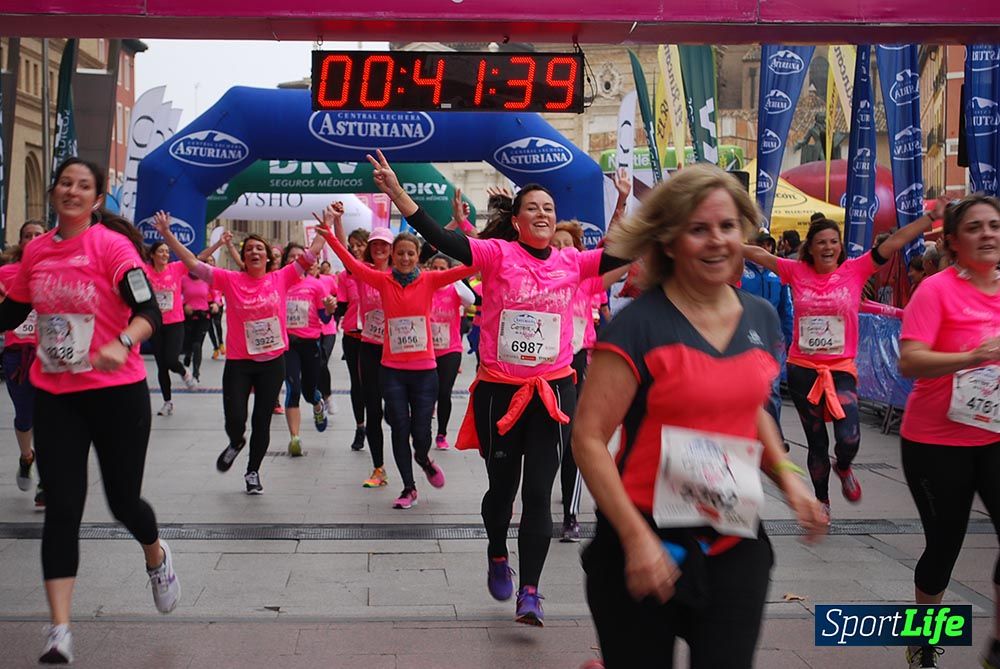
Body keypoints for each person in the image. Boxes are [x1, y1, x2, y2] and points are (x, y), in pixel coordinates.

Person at [573, 163, 826, 668]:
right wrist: (635, 538)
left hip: (733, 537)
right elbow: (588, 438)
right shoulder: (637, 327)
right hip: (644, 541)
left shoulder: (760, 315)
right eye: (699, 229)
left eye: (728, 226)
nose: (717, 242)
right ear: (668, 241)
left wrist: (788, 477)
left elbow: (747, 405)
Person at [363, 149, 629, 626]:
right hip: (499, 392)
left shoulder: (573, 261)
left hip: (553, 391)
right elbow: (441, 236)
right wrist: (398, 192)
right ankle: (495, 552)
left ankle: (531, 591)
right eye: (533, 208)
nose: (543, 214)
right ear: (517, 219)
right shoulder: (496, 253)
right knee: (501, 492)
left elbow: (623, 251)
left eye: (549, 208)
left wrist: (630, 205)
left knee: (536, 494)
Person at [0, 158, 180, 664]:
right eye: (65, 184)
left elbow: (149, 310)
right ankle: (59, 630)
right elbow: (12, 311)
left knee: (124, 503)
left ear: (97, 199)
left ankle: (156, 555)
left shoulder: (112, 247)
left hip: (116, 393)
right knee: (62, 507)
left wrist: (123, 341)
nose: (73, 192)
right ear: (54, 192)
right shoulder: (36, 252)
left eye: (84, 186)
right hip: (57, 393)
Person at [743, 198, 948, 517]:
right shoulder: (794, 271)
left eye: (833, 242)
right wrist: (726, 241)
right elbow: (760, 255)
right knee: (816, 441)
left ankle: (845, 466)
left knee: (849, 437)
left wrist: (928, 220)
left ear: (840, 247)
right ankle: (822, 500)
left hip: (840, 370)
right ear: (810, 248)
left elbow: (893, 242)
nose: (828, 247)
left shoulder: (856, 269)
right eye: (821, 242)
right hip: (802, 370)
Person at [897, 195, 1000, 669]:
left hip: (995, 437)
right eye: (975, 227)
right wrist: (972, 357)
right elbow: (910, 361)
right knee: (945, 545)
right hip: (936, 442)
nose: (987, 234)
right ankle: (922, 640)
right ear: (954, 242)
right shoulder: (935, 291)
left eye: (994, 225)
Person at [154, 212, 326, 494]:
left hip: (272, 363)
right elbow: (192, 263)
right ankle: (236, 442)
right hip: (239, 363)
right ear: (243, 257)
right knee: (235, 419)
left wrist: (326, 226)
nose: (254, 252)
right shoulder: (229, 279)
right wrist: (168, 235)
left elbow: (310, 254)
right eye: (249, 249)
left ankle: (252, 471)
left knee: (262, 421)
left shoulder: (281, 278)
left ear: (268, 257)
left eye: (259, 248)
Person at [317, 202, 475, 509]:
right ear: (394, 256)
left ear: (417, 257)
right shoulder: (382, 280)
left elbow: (473, 264)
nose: (404, 258)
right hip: (392, 369)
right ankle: (408, 487)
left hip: (425, 368)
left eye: (410, 254)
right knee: (400, 428)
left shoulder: (430, 280)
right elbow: (351, 262)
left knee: (420, 432)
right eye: (400, 253)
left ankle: (424, 459)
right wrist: (330, 235)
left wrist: (464, 226)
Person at [551, 220, 628, 543]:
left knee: (571, 440)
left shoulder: (588, 281)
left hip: (577, 362)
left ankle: (570, 514)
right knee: (544, 444)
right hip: (539, 368)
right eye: (554, 244)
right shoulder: (536, 277)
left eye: (566, 243)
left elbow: (617, 253)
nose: (560, 249)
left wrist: (623, 202)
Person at [0, 219, 47, 507]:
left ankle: (47, 481)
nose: (32, 238)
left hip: (49, 355)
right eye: (27, 235)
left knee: (48, 418)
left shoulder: (54, 270)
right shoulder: (6, 272)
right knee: (24, 416)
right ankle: (26, 456)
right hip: (17, 356)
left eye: (38, 234)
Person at [280, 242, 334, 456]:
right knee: (292, 389)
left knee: (308, 391)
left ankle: (317, 402)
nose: (295, 260)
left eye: (299, 256)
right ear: (285, 261)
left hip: (311, 343)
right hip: (287, 345)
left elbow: (324, 317)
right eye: (291, 256)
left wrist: (329, 310)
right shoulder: (278, 283)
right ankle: (295, 438)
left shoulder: (316, 285)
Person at [741, 231, 794, 443]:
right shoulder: (738, 271)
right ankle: (746, 433)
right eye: (759, 244)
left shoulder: (778, 274)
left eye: (768, 244)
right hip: (743, 338)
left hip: (772, 340)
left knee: (772, 391)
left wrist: (788, 340)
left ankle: (774, 438)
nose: (764, 248)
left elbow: (786, 309)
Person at [427, 253, 477, 450]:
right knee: (428, 392)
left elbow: (470, 299)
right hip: (427, 349)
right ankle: (424, 429)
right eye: (435, 268)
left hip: (451, 349)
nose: (438, 272)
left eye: (442, 268)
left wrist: (453, 278)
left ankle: (441, 433)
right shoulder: (426, 288)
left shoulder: (456, 290)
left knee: (444, 392)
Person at [145, 240, 197, 414]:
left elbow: (198, 259)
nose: (165, 255)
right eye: (161, 251)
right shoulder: (145, 272)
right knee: (161, 366)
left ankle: (183, 371)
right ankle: (168, 402)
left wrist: (219, 244)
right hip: (155, 324)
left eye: (167, 252)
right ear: (152, 254)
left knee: (170, 359)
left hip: (175, 323)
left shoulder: (176, 268)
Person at [337, 227, 370, 452]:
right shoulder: (345, 275)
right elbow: (340, 307)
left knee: (378, 383)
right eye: (353, 245)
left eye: (360, 244)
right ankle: (360, 427)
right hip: (352, 336)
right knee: (357, 384)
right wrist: (331, 308)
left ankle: (380, 419)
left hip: (376, 338)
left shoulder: (380, 271)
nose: (356, 249)